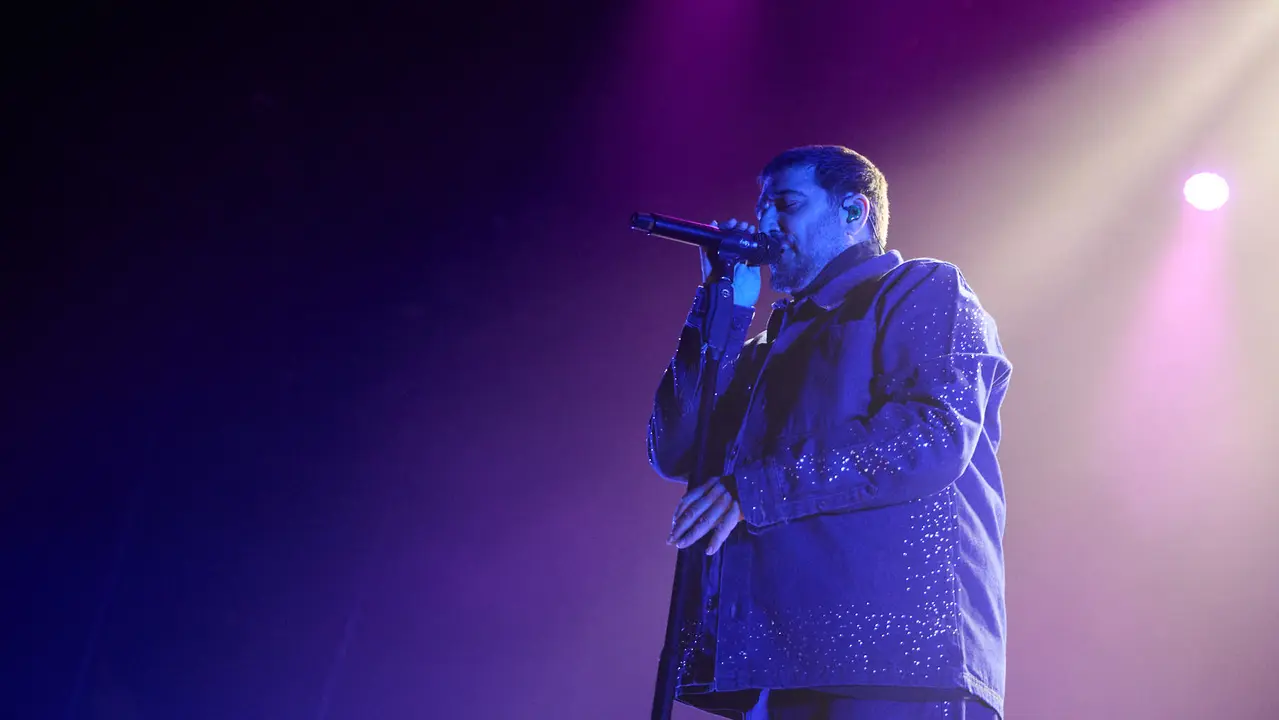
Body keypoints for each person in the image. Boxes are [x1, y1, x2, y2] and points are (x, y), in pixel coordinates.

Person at [646, 145, 1012, 720]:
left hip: (893, 667)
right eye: (761, 205)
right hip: (774, 667)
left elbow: (932, 435)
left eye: (785, 204)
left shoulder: (921, 290)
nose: (764, 222)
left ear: (853, 212)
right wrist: (717, 306)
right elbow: (676, 450)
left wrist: (752, 489)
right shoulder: (765, 350)